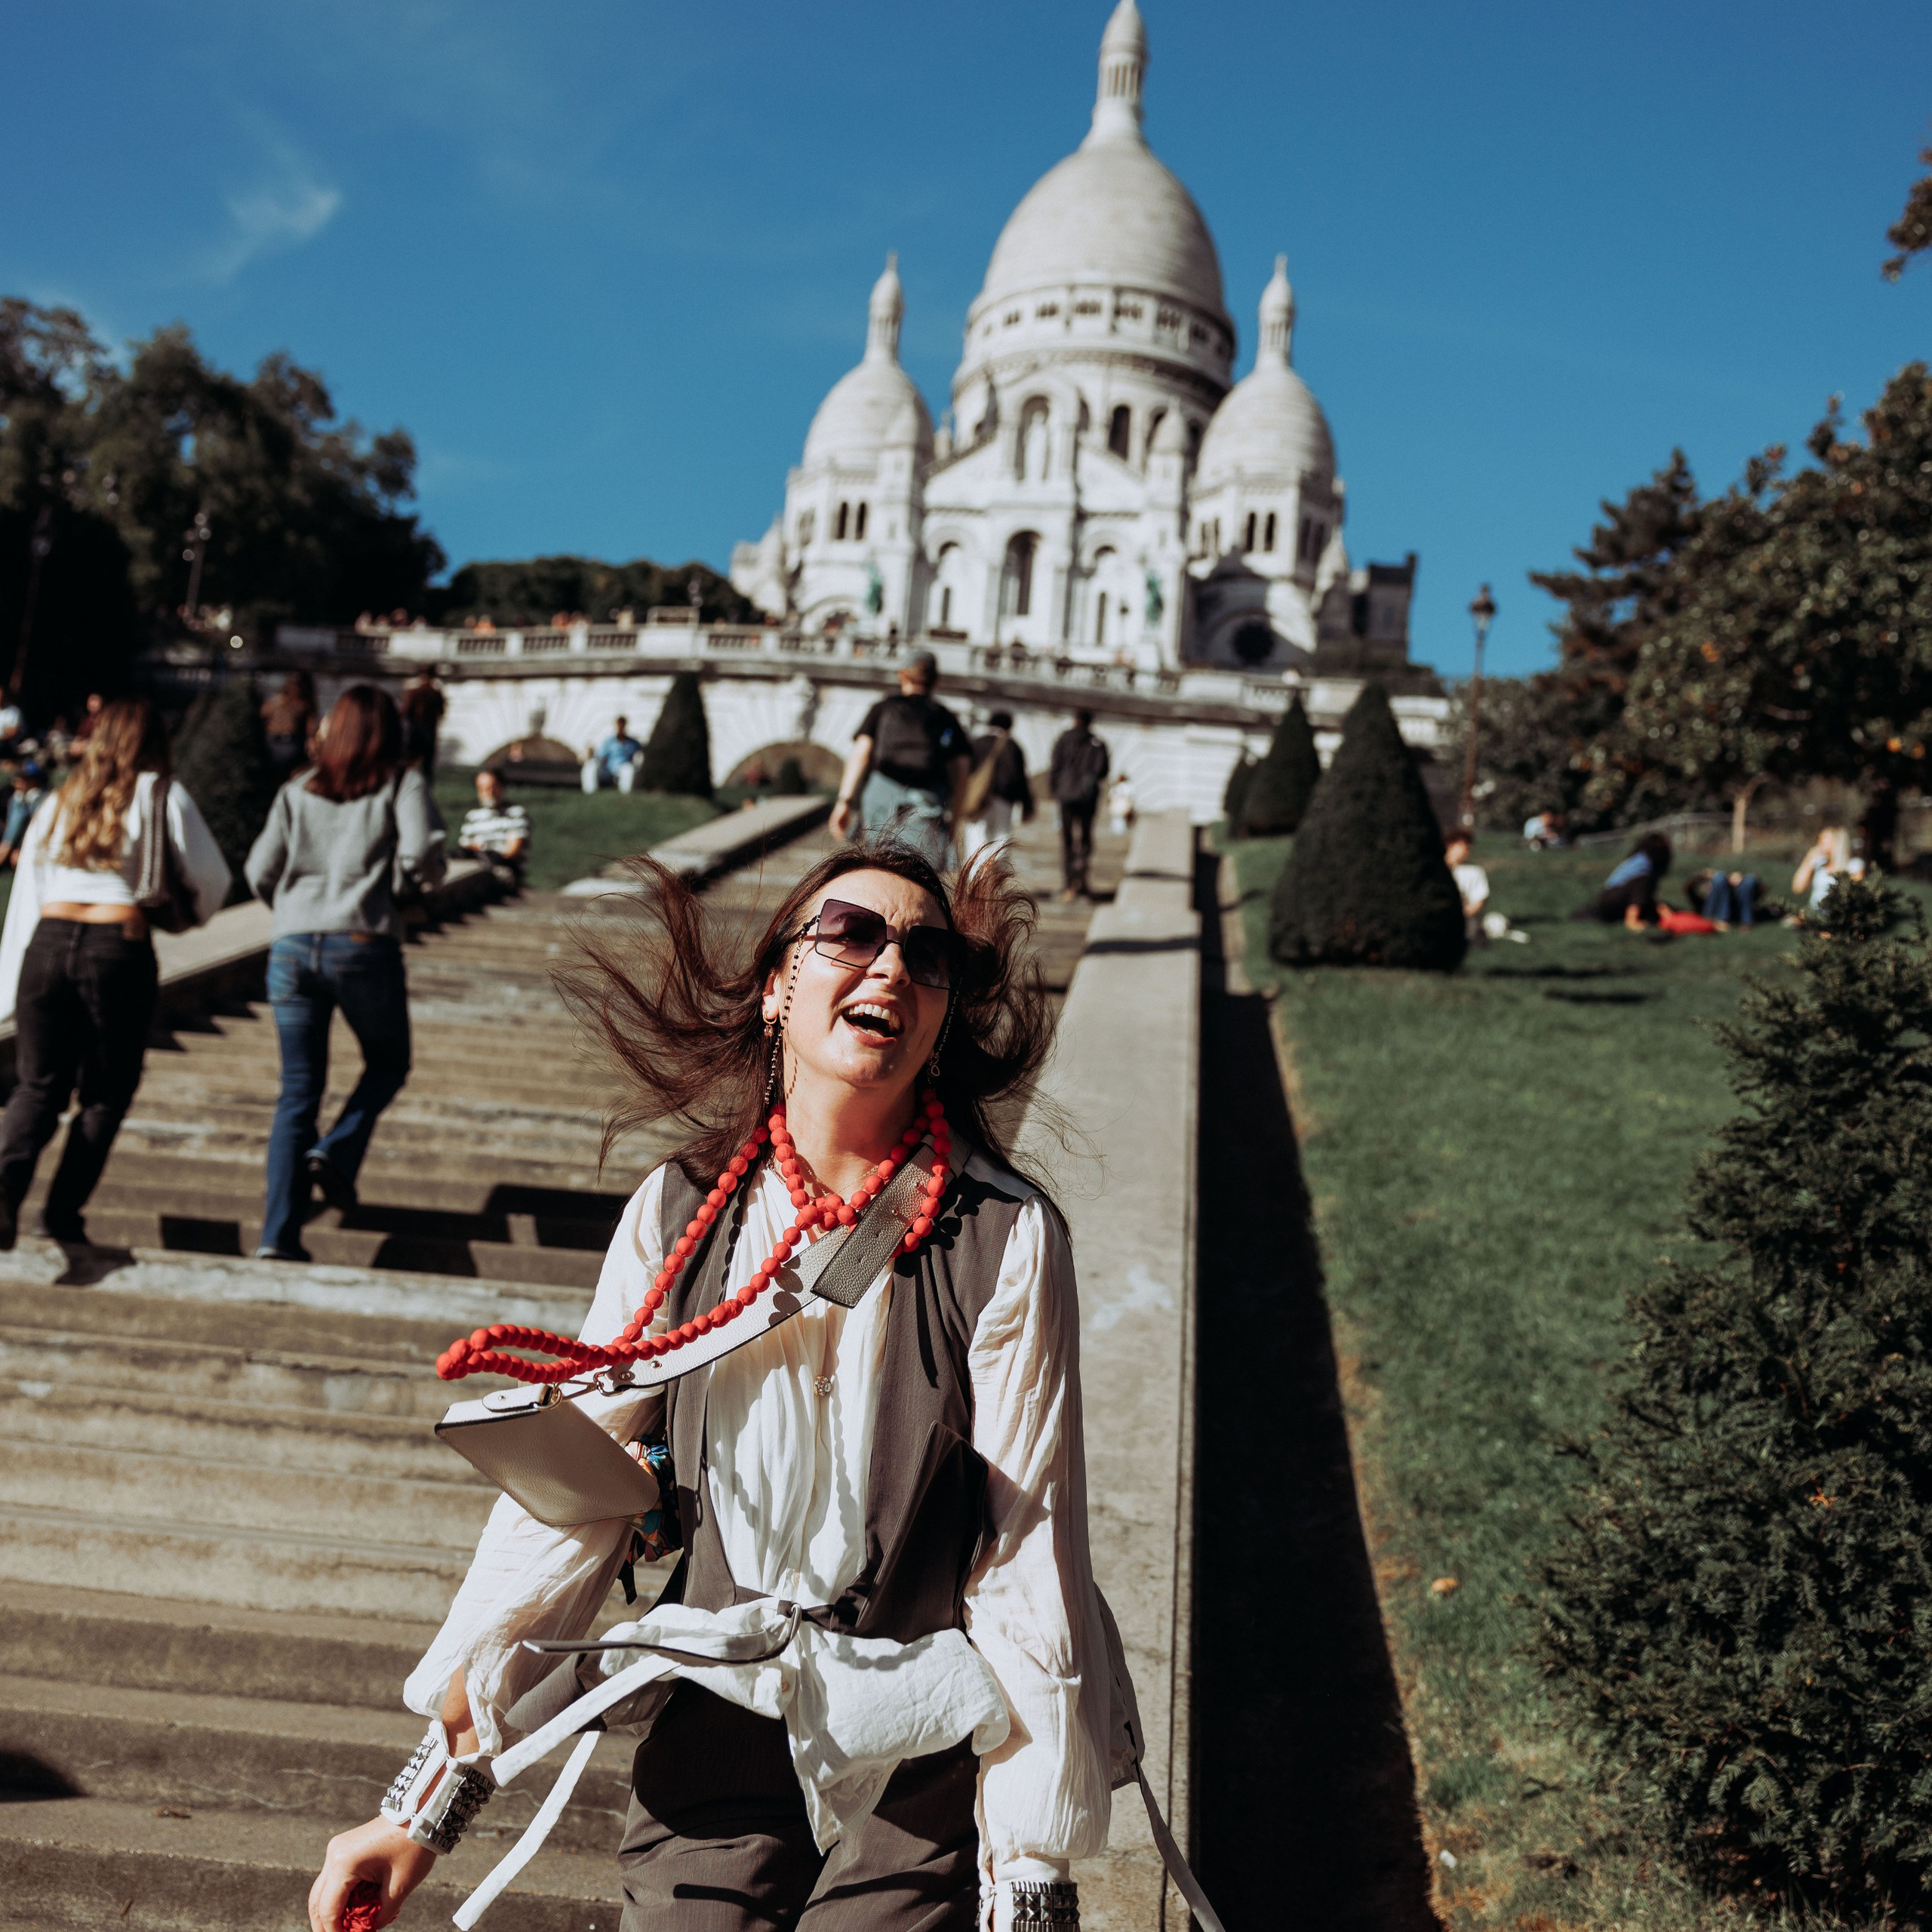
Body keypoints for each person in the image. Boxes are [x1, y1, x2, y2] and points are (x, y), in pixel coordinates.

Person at [306, 842, 1115, 1932]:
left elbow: (1027, 1561)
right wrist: (430, 1800)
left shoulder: (1005, 1235)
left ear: (941, 1017)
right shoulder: (683, 1208)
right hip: (715, 1720)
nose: (891, 970)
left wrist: (1030, 1876)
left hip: (919, 1745)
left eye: (928, 957)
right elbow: (570, 1508)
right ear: (780, 984)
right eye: (853, 935)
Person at [0, 700, 230, 1248]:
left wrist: (11, 984)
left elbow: (27, 899)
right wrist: (186, 915)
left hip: (48, 943)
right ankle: (59, 1214)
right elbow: (211, 879)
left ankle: (4, 1193)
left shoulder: (61, 799)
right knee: (105, 1092)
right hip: (116, 944)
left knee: (38, 1086)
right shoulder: (162, 794)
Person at [245, 685, 446, 1263]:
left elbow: (260, 869)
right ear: (389, 732)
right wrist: (403, 891)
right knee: (388, 1063)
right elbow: (421, 858)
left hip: (290, 946)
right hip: (362, 941)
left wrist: (292, 908)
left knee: (297, 1092)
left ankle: (276, 1236)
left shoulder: (296, 788)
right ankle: (336, 1151)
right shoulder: (401, 783)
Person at [829, 650, 971, 869]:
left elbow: (861, 755)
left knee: (876, 863)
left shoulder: (883, 708)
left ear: (902, 675)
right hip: (928, 795)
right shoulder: (946, 717)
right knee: (920, 868)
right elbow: (963, 772)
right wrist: (956, 820)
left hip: (881, 791)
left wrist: (844, 801)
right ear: (937, 681)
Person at [1048, 709, 1109, 902]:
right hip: (1087, 797)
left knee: (1067, 840)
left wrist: (1056, 790)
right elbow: (1103, 771)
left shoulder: (1063, 739)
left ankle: (1068, 883)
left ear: (1075, 721)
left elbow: (1055, 766)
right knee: (1085, 839)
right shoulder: (1097, 743)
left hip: (1066, 796)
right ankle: (1081, 882)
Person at [961, 709, 1031, 860]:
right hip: (1004, 799)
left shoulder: (977, 743)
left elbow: (965, 771)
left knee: (977, 835)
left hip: (978, 798)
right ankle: (995, 872)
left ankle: (977, 874)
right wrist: (1027, 804)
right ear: (1009, 727)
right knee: (1001, 837)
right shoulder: (1013, 747)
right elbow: (1021, 778)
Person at [1573, 832, 1672, 928]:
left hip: (1608, 898)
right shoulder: (1644, 866)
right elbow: (1640, 894)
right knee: (1642, 882)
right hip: (1615, 899)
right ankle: (1632, 920)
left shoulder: (1639, 858)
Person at [457, 767, 531, 884]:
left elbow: (512, 851)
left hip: (504, 869)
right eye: (483, 789)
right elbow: (465, 848)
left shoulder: (515, 813)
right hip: (476, 867)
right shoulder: (473, 817)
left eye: (492, 787)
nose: (489, 792)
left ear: (502, 787)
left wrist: (481, 849)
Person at [261, 670, 318, 776]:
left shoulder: (276, 701)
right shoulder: (303, 704)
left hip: (280, 743)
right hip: (287, 744)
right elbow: (311, 729)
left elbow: (263, 718)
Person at [1793, 826, 1861, 912]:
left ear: (1838, 841)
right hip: (1815, 913)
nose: (1819, 841)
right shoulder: (1819, 864)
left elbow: (1856, 895)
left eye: (1824, 838)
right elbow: (1798, 888)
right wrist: (1808, 859)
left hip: (1838, 914)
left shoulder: (1854, 866)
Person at [0, 761, 48, 868]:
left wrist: (21, 849)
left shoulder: (45, 800)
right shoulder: (16, 798)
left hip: (33, 846)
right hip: (12, 845)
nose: (16, 783)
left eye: (22, 780)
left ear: (33, 781)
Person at [1445, 834, 1491, 945]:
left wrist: (1461, 914)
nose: (1467, 851)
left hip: (1464, 918)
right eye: (1464, 846)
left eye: (1469, 847)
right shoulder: (1434, 869)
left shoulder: (1474, 872)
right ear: (1450, 845)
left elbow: (1479, 901)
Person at [400, 671, 445, 778]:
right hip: (429, 729)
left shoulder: (413, 692)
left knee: (410, 761)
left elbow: (405, 711)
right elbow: (441, 712)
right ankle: (426, 787)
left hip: (415, 729)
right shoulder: (436, 693)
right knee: (427, 765)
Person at [584, 716, 645, 794]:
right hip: (609, 769)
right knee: (590, 766)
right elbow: (599, 756)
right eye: (618, 725)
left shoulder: (633, 743)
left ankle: (625, 794)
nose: (620, 727)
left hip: (623, 768)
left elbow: (642, 752)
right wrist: (590, 754)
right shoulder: (609, 742)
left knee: (628, 769)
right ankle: (590, 792)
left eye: (622, 725)